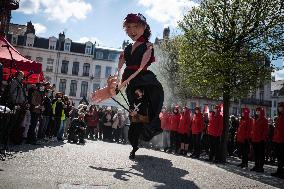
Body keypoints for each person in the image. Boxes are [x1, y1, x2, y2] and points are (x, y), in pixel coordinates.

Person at [91, 13, 164, 151]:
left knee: (139, 110)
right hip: (131, 83)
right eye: (128, 28)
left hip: (143, 81)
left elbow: (140, 68)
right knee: (134, 112)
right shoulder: (127, 49)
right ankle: (136, 140)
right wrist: (111, 87)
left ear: (144, 27)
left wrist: (120, 86)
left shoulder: (148, 46)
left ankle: (143, 132)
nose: (132, 31)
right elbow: (120, 69)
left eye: (135, 27)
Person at [251, 107, 268, 172]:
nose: (257, 112)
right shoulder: (255, 119)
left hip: (260, 140)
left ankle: (261, 167)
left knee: (261, 154)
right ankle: (256, 165)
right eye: (256, 111)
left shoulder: (264, 120)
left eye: (258, 111)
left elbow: (265, 131)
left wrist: (262, 138)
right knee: (256, 154)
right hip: (255, 139)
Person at [271, 102, 284, 179]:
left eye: (281, 107)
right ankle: (279, 171)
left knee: (282, 157)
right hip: (277, 139)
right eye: (279, 107)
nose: (279, 108)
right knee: (279, 157)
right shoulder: (279, 116)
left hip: (282, 140)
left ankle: (282, 172)